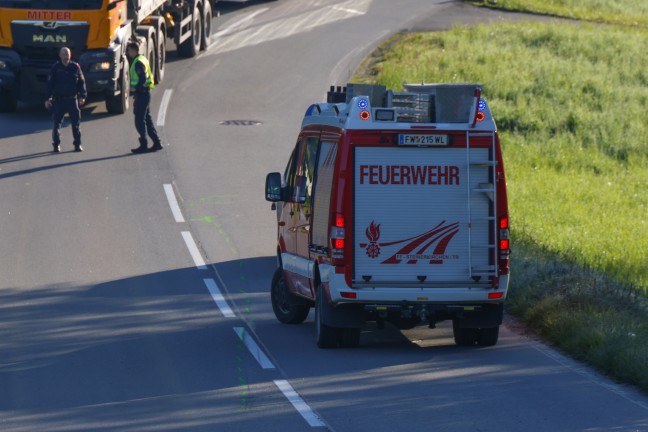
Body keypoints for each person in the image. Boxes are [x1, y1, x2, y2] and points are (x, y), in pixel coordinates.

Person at [45, 47, 87, 152]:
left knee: (76, 123)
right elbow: (50, 84)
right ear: (60, 55)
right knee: (56, 124)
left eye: (67, 53)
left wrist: (82, 96)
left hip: (72, 100)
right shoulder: (55, 68)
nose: (65, 55)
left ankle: (77, 144)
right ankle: (56, 145)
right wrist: (47, 99)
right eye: (63, 54)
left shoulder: (75, 67)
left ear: (70, 55)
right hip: (59, 100)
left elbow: (82, 83)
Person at [127, 41, 162, 153]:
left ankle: (144, 145)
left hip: (142, 94)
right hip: (145, 94)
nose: (128, 53)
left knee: (139, 120)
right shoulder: (143, 59)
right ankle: (157, 143)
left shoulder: (137, 62)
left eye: (129, 50)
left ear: (133, 50)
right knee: (147, 119)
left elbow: (142, 78)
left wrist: (135, 88)